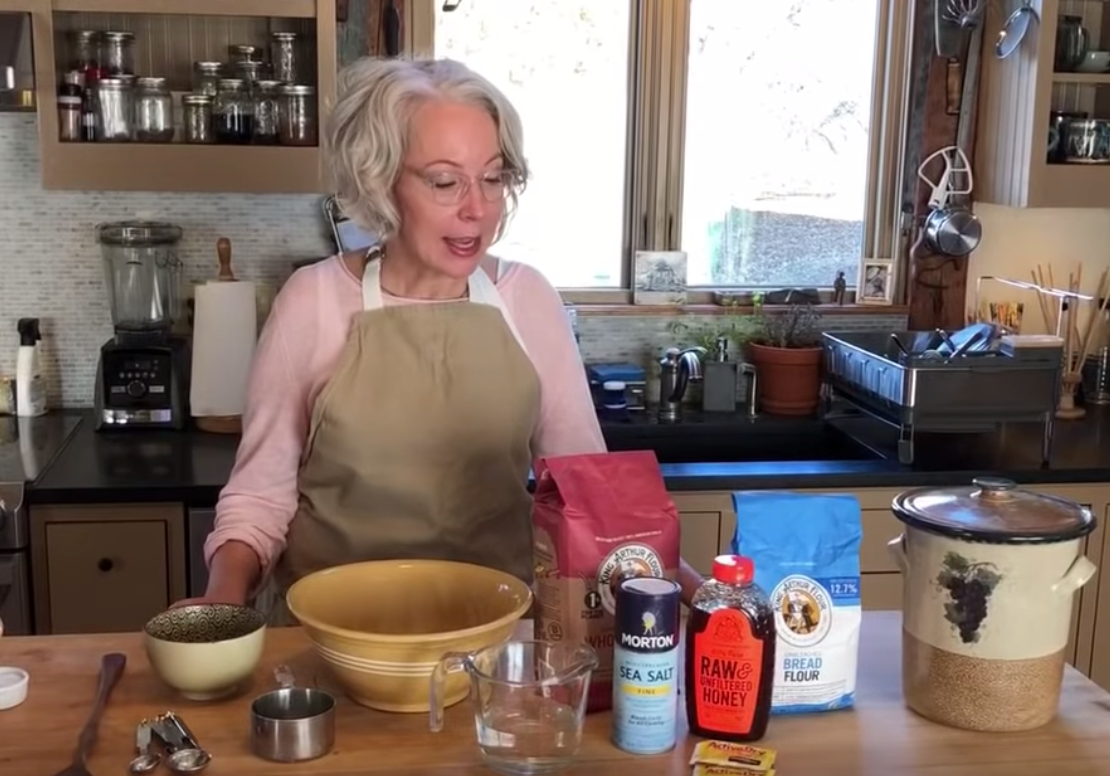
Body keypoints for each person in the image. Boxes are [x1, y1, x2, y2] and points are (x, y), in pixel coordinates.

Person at [178, 57, 704, 621]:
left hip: (500, 642)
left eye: (493, 177)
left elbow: (585, 493)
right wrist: (221, 604)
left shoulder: (527, 300)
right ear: (379, 181)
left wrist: (702, 591)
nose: (477, 209)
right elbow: (260, 498)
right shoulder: (312, 301)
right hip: (333, 640)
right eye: (445, 181)